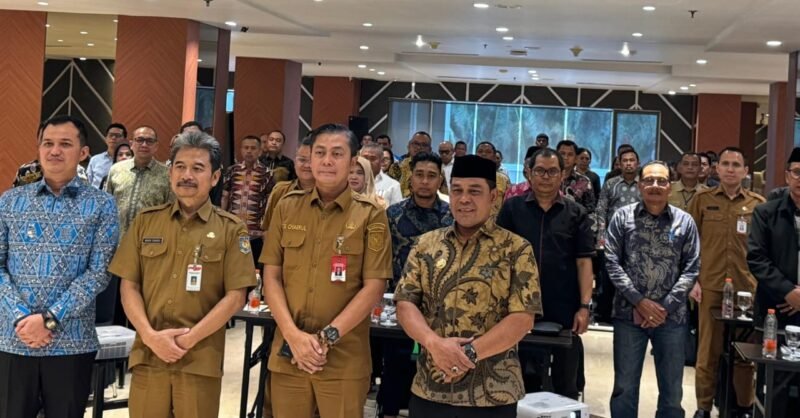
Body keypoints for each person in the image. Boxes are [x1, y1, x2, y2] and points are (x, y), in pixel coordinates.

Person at [108, 130, 255, 418]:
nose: (187, 175)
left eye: (198, 168)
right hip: (149, 355)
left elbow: (236, 297)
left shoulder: (231, 229)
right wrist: (150, 336)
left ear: (215, 177)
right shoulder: (146, 222)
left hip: (199, 359)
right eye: (180, 166)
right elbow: (129, 287)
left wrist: (185, 341)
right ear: (170, 172)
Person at [394, 154, 542, 417]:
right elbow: (405, 303)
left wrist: (467, 355)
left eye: (474, 191)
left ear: (493, 196)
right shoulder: (426, 245)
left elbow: (522, 318)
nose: (464, 199)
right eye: (457, 190)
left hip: (492, 393)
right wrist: (434, 344)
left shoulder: (516, 249)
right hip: (431, 387)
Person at [260, 124, 392, 418]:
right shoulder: (287, 207)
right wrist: (293, 336)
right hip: (289, 353)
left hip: (343, 359)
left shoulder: (370, 214)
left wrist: (324, 339)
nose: (327, 161)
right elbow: (271, 277)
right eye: (319, 153)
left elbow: (374, 286)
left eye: (337, 154)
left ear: (353, 161)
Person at [0, 115, 120, 418]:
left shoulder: (102, 205)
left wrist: (50, 319)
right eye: (48, 143)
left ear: (83, 152)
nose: (55, 151)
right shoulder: (10, 202)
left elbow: (99, 273)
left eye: (65, 144)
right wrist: (21, 318)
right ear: (39, 149)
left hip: (71, 342)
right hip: (14, 339)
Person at [605, 160, 700, 418]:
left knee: (672, 392)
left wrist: (663, 308)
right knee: (624, 387)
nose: (655, 185)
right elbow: (611, 262)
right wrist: (640, 302)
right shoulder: (622, 217)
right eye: (649, 180)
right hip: (628, 315)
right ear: (639, 185)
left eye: (661, 181)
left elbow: (691, 267)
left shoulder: (685, 222)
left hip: (672, 318)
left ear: (670, 186)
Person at [497, 148, 594, 399]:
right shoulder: (512, 209)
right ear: (529, 173)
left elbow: (584, 263)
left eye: (552, 171)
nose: (545, 177)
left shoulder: (576, 213)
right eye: (540, 171)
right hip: (518, 305)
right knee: (521, 378)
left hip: (563, 306)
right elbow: (498, 258)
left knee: (565, 381)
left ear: (562, 174)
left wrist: (584, 307)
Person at [688, 147, 764, 418]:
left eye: (736, 165)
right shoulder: (702, 200)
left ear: (745, 172)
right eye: (726, 164)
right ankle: (703, 407)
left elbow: (764, 249)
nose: (731, 169)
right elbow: (689, 243)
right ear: (717, 169)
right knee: (708, 352)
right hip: (710, 286)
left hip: (746, 290)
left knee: (744, 355)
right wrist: (692, 280)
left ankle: (743, 407)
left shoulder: (758, 205)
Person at [378, 152, 454, 418]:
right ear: (410, 178)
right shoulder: (393, 214)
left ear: (440, 180)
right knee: (395, 365)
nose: (424, 181)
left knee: (435, 367)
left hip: (440, 307)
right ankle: (389, 410)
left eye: (431, 176)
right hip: (400, 304)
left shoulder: (451, 216)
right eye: (419, 175)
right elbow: (382, 258)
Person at [747, 148, 800, 417]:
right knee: (773, 388)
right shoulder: (765, 212)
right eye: (797, 172)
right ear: (787, 175)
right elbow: (756, 258)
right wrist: (788, 292)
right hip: (774, 311)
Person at [105, 125, 172, 237]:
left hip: (150, 241)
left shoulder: (167, 175)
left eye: (149, 141)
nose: (144, 144)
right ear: (131, 144)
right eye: (140, 140)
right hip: (118, 239)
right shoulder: (116, 170)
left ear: (156, 146)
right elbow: (107, 206)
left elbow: (170, 213)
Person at [221, 135, 276, 267]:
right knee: (233, 267)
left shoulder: (267, 173)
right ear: (241, 150)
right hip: (232, 231)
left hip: (256, 234)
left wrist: (267, 229)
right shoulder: (232, 171)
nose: (249, 151)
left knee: (254, 269)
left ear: (260, 151)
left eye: (253, 148)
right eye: (246, 148)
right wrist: (221, 221)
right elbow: (225, 197)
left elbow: (270, 202)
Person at [261, 136, 315, 234]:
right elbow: (268, 230)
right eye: (302, 160)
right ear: (295, 161)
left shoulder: (329, 195)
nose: (307, 165)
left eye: (311, 161)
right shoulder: (280, 191)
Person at [388, 131, 433, 197]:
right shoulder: (397, 167)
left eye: (424, 145)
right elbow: (389, 192)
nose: (419, 148)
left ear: (430, 149)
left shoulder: (435, 169)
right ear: (409, 146)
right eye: (416, 144)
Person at [557, 140, 595, 212]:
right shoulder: (548, 178)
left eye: (570, 154)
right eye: (562, 154)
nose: (565, 157)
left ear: (576, 159)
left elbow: (590, 208)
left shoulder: (584, 181)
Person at [87, 122, 128, 189]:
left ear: (124, 140)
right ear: (106, 138)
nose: (113, 137)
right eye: (110, 135)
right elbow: (88, 183)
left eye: (117, 135)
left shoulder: (128, 160)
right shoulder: (95, 159)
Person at [475, 141, 510, 214]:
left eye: (488, 152)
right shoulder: (466, 178)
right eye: (480, 151)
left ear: (494, 157)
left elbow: (508, 205)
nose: (483, 154)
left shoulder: (503, 179)